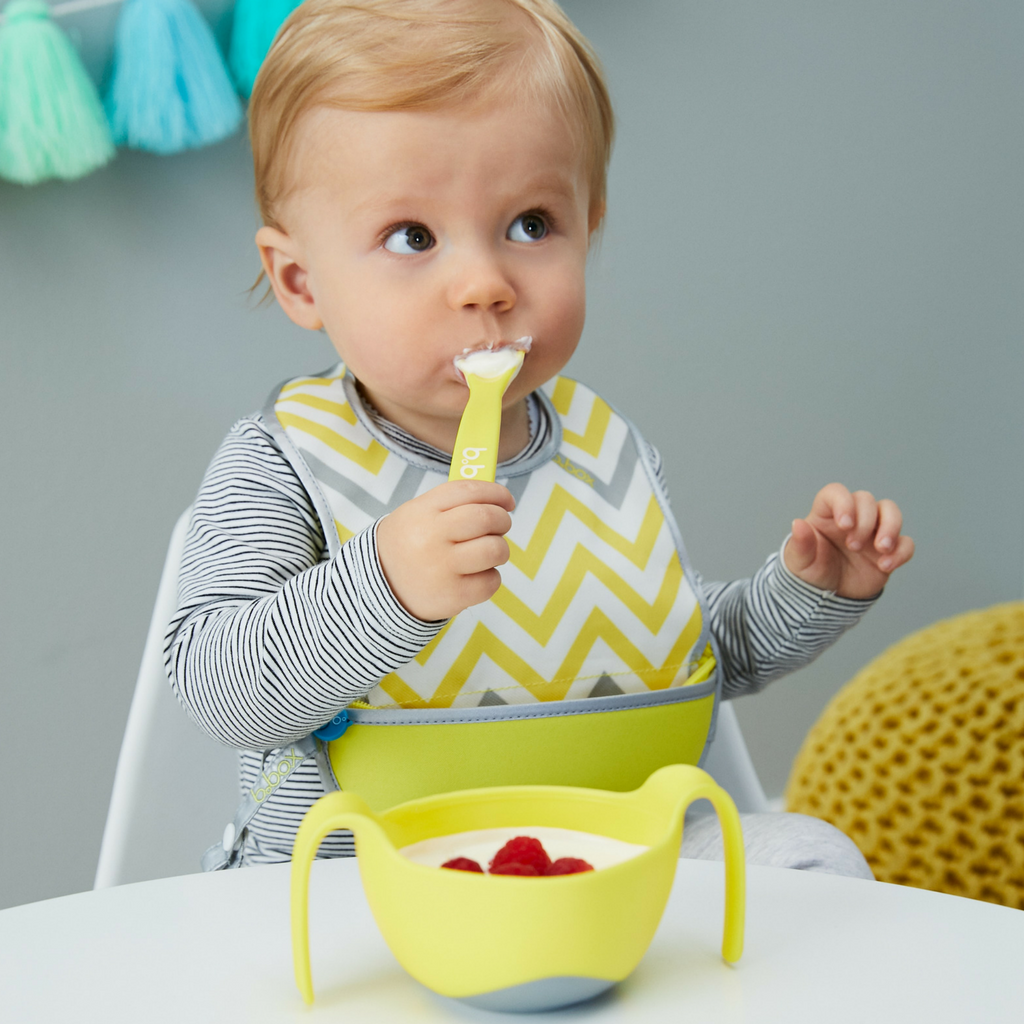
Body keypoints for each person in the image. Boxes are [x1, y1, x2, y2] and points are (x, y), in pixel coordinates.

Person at [165, 0, 913, 874]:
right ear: (301, 282)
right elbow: (219, 687)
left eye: (531, 225)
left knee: (813, 861)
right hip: (354, 879)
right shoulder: (285, 459)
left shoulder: (604, 447)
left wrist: (812, 593)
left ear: (588, 228)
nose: (485, 282)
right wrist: (385, 587)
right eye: (412, 237)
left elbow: (679, 651)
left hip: (609, 857)